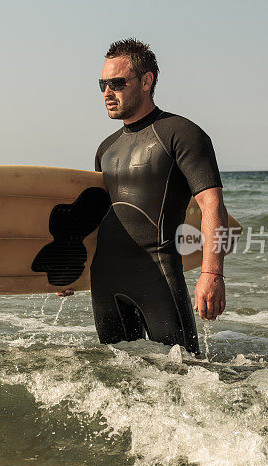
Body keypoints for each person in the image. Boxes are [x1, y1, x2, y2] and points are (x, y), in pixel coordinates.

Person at [59, 38, 228, 355]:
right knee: (118, 382)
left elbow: (212, 205)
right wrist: (71, 269)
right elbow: (98, 219)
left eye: (117, 83)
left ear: (147, 81)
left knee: (186, 376)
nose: (108, 92)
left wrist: (212, 273)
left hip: (158, 277)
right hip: (105, 283)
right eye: (103, 84)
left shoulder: (181, 134)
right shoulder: (105, 149)